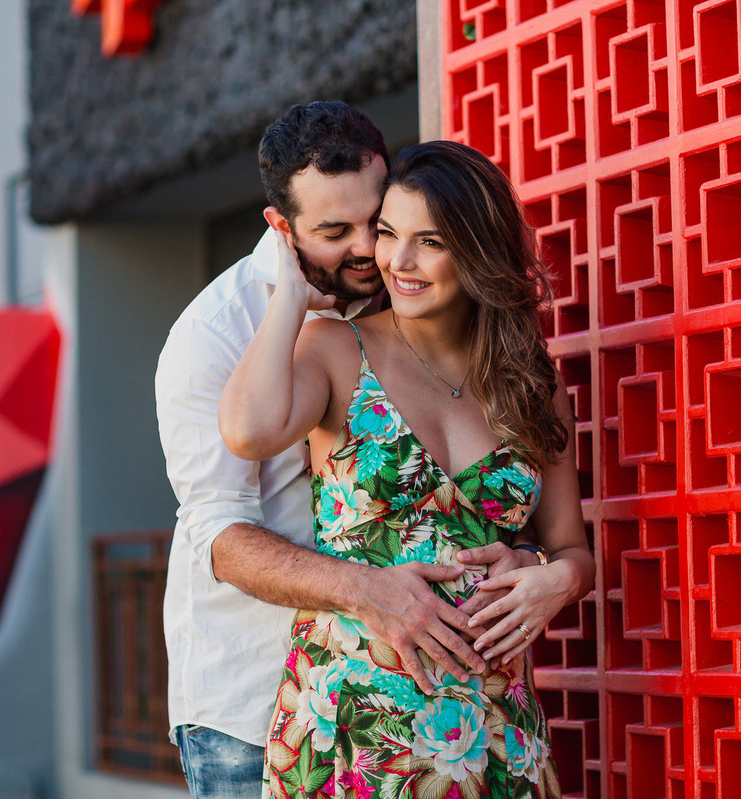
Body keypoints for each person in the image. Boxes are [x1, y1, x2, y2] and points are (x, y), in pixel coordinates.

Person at [155, 104, 540, 799]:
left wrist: (535, 562)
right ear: (282, 228)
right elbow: (219, 533)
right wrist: (369, 591)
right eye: (336, 232)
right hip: (255, 697)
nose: (371, 250)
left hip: (454, 706)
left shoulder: (407, 291)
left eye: (378, 219)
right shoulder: (214, 333)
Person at [220, 140, 595, 799]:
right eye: (389, 234)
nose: (398, 260)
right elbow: (249, 431)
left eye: (430, 242)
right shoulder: (335, 348)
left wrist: (555, 579)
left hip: (496, 724)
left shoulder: (530, 382)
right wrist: (291, 295)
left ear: (478, 251)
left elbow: (572, 549)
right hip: (354, 733)